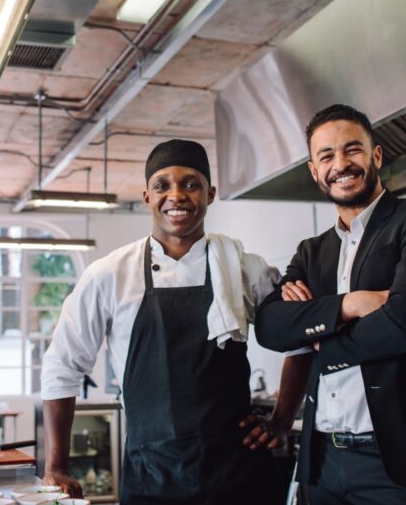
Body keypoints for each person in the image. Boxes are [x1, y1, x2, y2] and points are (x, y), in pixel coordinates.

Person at [40, 139, 309, 505]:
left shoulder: (247, 268)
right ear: (147, 196)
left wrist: (281, 420)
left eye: (191, 184)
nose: (177, 195)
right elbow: (62, 366)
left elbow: (300, 339)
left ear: (210, 194)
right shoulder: (109, 274)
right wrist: (57, 465)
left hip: (239, 476)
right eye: (163, 185)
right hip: (153, 477)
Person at [255, 104, 406, 504]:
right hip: (322, 461)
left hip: (404, 464)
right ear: (315, 172)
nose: (341, 164)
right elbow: (270, 327)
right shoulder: (311, 252)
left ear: (376, 156)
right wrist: (351, 305)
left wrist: (319, 338)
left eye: (352, 150)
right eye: (327, 156)